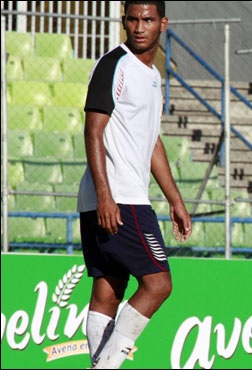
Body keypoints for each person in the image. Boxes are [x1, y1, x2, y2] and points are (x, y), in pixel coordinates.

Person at [77, 1, 192, 368]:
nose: (139, 27)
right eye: (132, 19)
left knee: (108, 292)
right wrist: (107, 196)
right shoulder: (115, 64)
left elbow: (151, 140)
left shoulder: (154, 75)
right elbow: (93, 130)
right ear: (124, 21)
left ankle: (98, 363)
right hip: (119, 198)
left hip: (116, 197)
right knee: (159, 284)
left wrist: (174, 199)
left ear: (163, 23)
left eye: (147, 20)